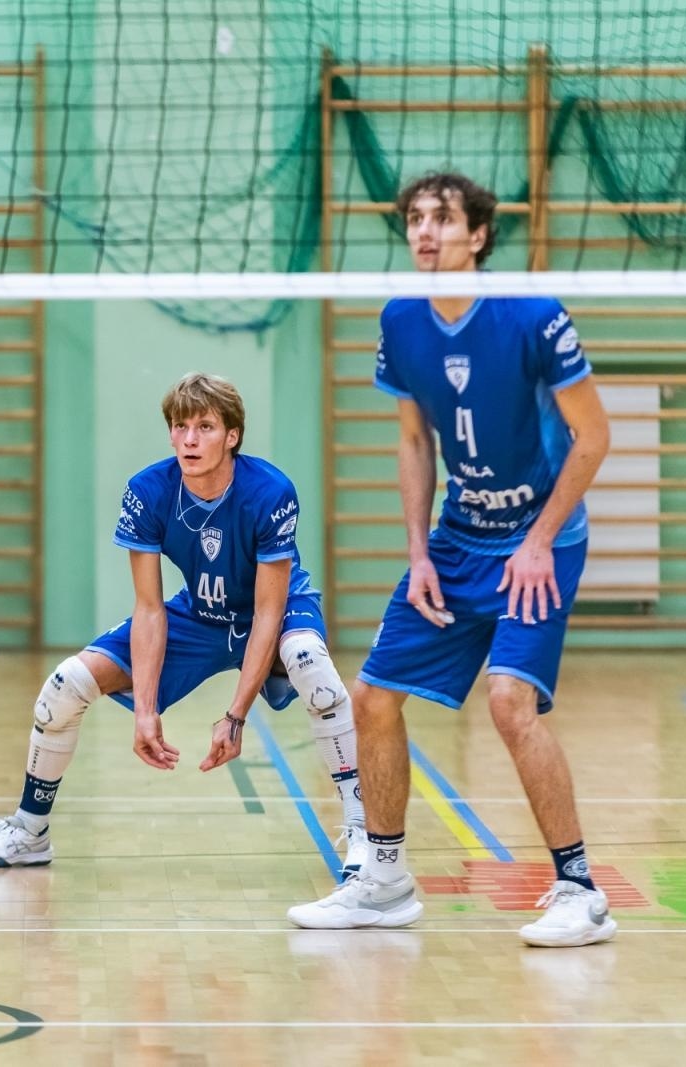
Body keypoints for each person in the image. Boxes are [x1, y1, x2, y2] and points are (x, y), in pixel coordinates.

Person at [286, 172, 616, 948]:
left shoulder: (532, 314)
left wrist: (538, 541)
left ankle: (580, 890)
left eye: (442, 218)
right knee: (371, 698)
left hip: (541, 542)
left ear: (478, 235)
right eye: (413, 218)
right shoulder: (401, 321)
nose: (424, 230)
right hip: (457, 540)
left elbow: (594, 436)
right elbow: (412, 439)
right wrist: (417, 552)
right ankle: (384, 881)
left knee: (508, 702)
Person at [0, 372, 367, 875]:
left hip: (275, 611)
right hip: (197, 613)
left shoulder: (270, 491)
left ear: (232, 435)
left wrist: (235, 716)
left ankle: (363, 832)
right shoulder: (149, 491)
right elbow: (149, 609)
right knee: (62, 688)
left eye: (205, 427)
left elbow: (266, 612)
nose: (190, 439)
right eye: (180, 426)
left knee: (314, 670)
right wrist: (144, 711)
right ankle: (29, 830)